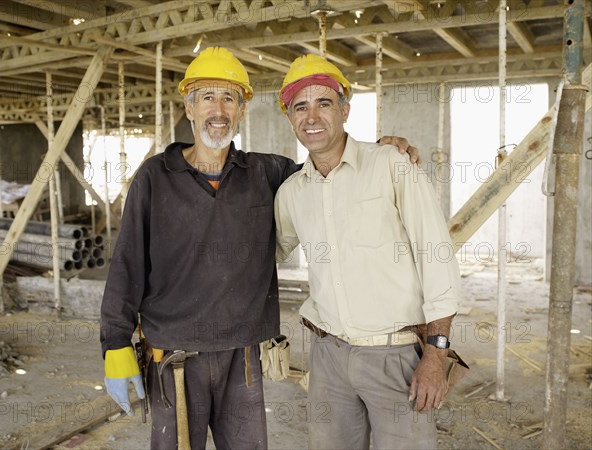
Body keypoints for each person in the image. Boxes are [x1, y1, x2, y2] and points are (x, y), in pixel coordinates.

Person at [100, 47, 420, 449]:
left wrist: (380, 151)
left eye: (229, 98)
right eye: (208, 97)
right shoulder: (155, 177)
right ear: (189, 107)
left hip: (243, 355)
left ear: (241, 111)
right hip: (174, 356)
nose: (218, 110)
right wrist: (115, 344)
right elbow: (126, 263)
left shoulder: (267, 172)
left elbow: (331, 171)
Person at [274, 54, 462, 449]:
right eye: (300, 107)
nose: (312, 117)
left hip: (395, 357)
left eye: (324, 103)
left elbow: (437, 258)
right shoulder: (292, 192)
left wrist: (436, 355)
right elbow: (270, 253)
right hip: (327, 357)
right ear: (290, 118)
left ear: (345, 109)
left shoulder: (392, 165)